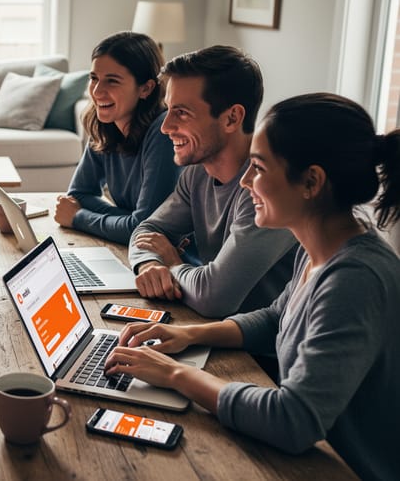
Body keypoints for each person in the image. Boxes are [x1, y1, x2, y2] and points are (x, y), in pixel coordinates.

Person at [107, 93, 400, 480]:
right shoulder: (319, 246)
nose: (245, 181)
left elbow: (293, 419)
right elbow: (278, 317)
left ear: (311, 181)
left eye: (258, 168)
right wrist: (187, 334)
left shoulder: (355, 278)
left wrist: (176, 375)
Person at [128, 45, 296, 317]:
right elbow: (147, 230)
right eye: (168, 109)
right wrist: (148, 265)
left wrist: (173, 263)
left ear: (232, 118)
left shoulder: (265, 188)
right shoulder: (198, 172)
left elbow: (213, 298)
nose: (165, 126)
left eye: (181, 112)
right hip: (218, 333)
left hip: (260, 354)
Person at [54, 31, 179, 244]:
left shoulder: (163, 132)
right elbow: (78, 194)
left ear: (146, 88)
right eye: (94, 78)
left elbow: (143, 230)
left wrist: (78, 217)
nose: (97, 91)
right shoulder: (105, 124)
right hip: (128, 247)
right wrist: (126, 219)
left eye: (112, 81)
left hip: (172, 258)